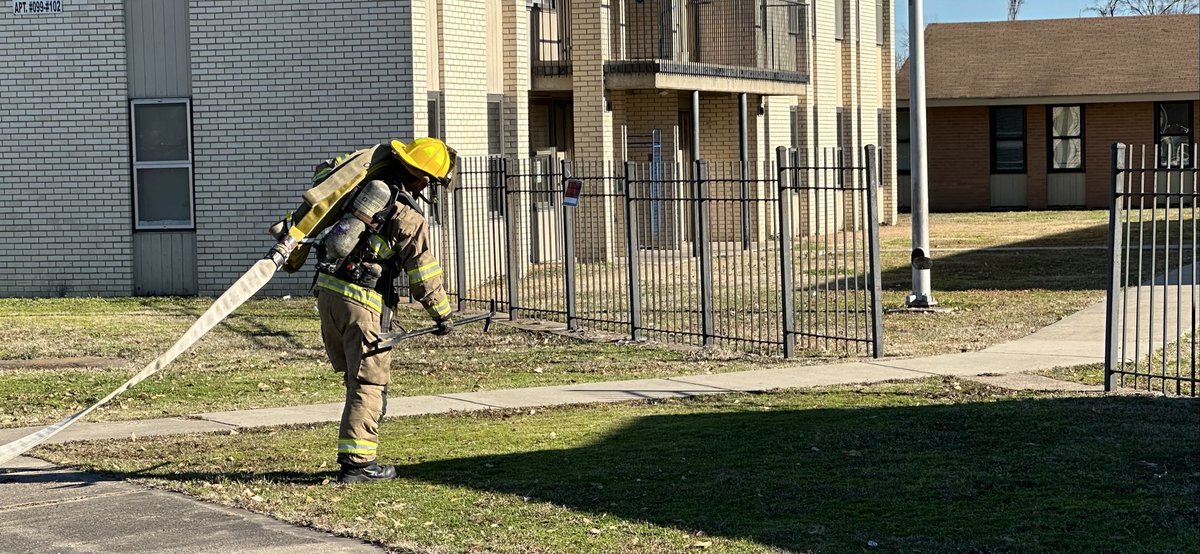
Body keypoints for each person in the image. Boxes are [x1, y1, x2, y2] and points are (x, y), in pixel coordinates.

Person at [313, 137, 457, 483]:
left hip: (328, 293)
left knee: (356, 378)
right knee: (369, 380)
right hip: (360, 302)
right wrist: (443, 314)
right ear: (421, 179)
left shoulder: (364, 194)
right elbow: (423, 272)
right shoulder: (407, 216)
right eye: (430, 182)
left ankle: (357, 457)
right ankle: (359, 465)